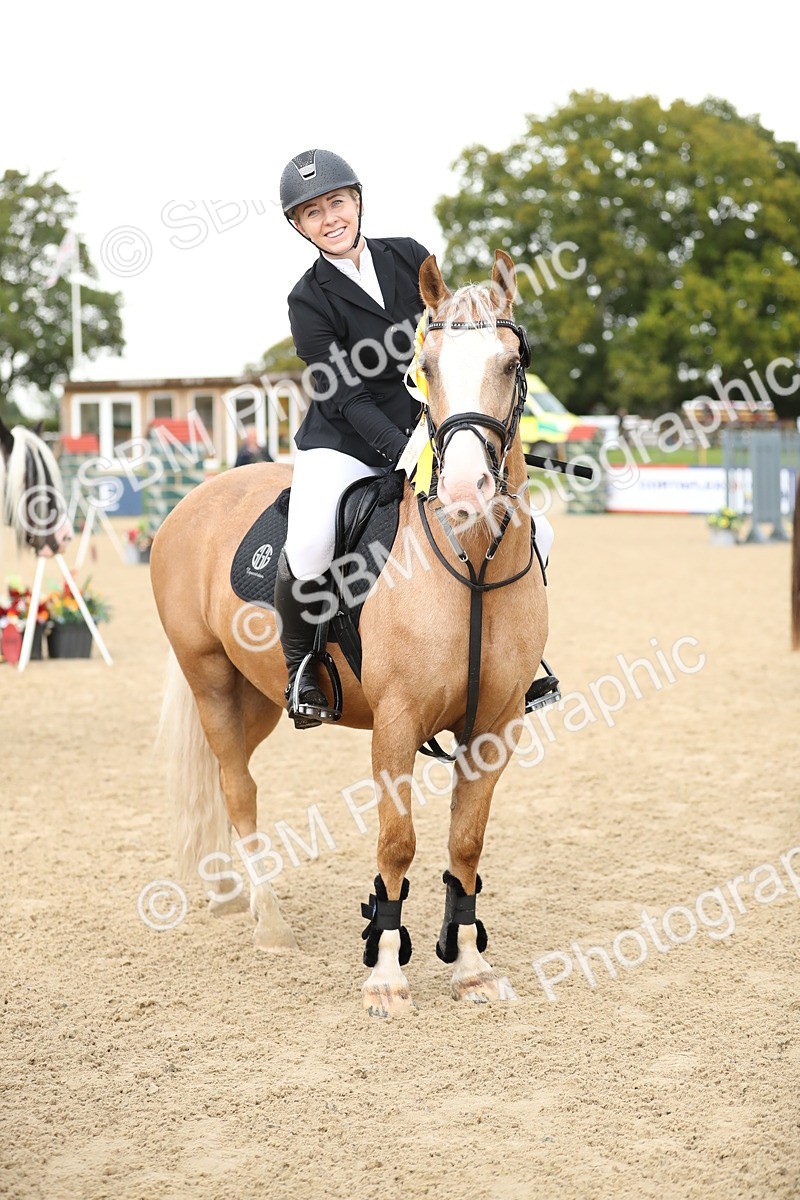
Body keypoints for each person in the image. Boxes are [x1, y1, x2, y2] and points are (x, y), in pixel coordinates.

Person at [275, 148, 556, 730]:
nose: (330, 218)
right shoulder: (308, 299)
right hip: (342, 440)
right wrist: (397, 446)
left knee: (540, 531)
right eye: (312, 213)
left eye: (336, 202)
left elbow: (453, 340)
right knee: (307, 544)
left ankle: (519, 665)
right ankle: (303, 668)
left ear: (356, 201)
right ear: (300, 227)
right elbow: (344, 393)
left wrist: (457, 426)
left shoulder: (407, 257)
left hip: (433, 428)